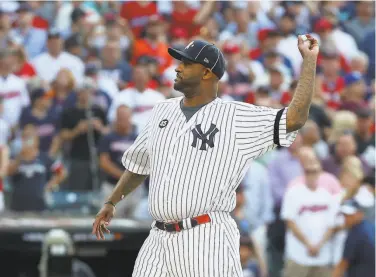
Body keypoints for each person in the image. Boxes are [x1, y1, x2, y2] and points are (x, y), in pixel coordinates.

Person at [92, 35, 319, 277]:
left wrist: (309, 62)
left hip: (206, 236)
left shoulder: (234, 117)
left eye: (187, 63)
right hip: (158, 238)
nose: (178, 68)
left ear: (207, 73)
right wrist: (111, 201)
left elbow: (294, 119)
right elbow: (139, 164)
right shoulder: (162, 110)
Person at [281, 147, 337, 277]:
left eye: (314, 171)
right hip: (298, 255)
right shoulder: (293, 192)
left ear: (320, 172)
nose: (311, 175)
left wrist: (319, 245)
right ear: (303, 172)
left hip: (322, 255)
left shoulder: (326, 195)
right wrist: (309, 244)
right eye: (308, 172)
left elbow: (331, 224)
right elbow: (290, 222)